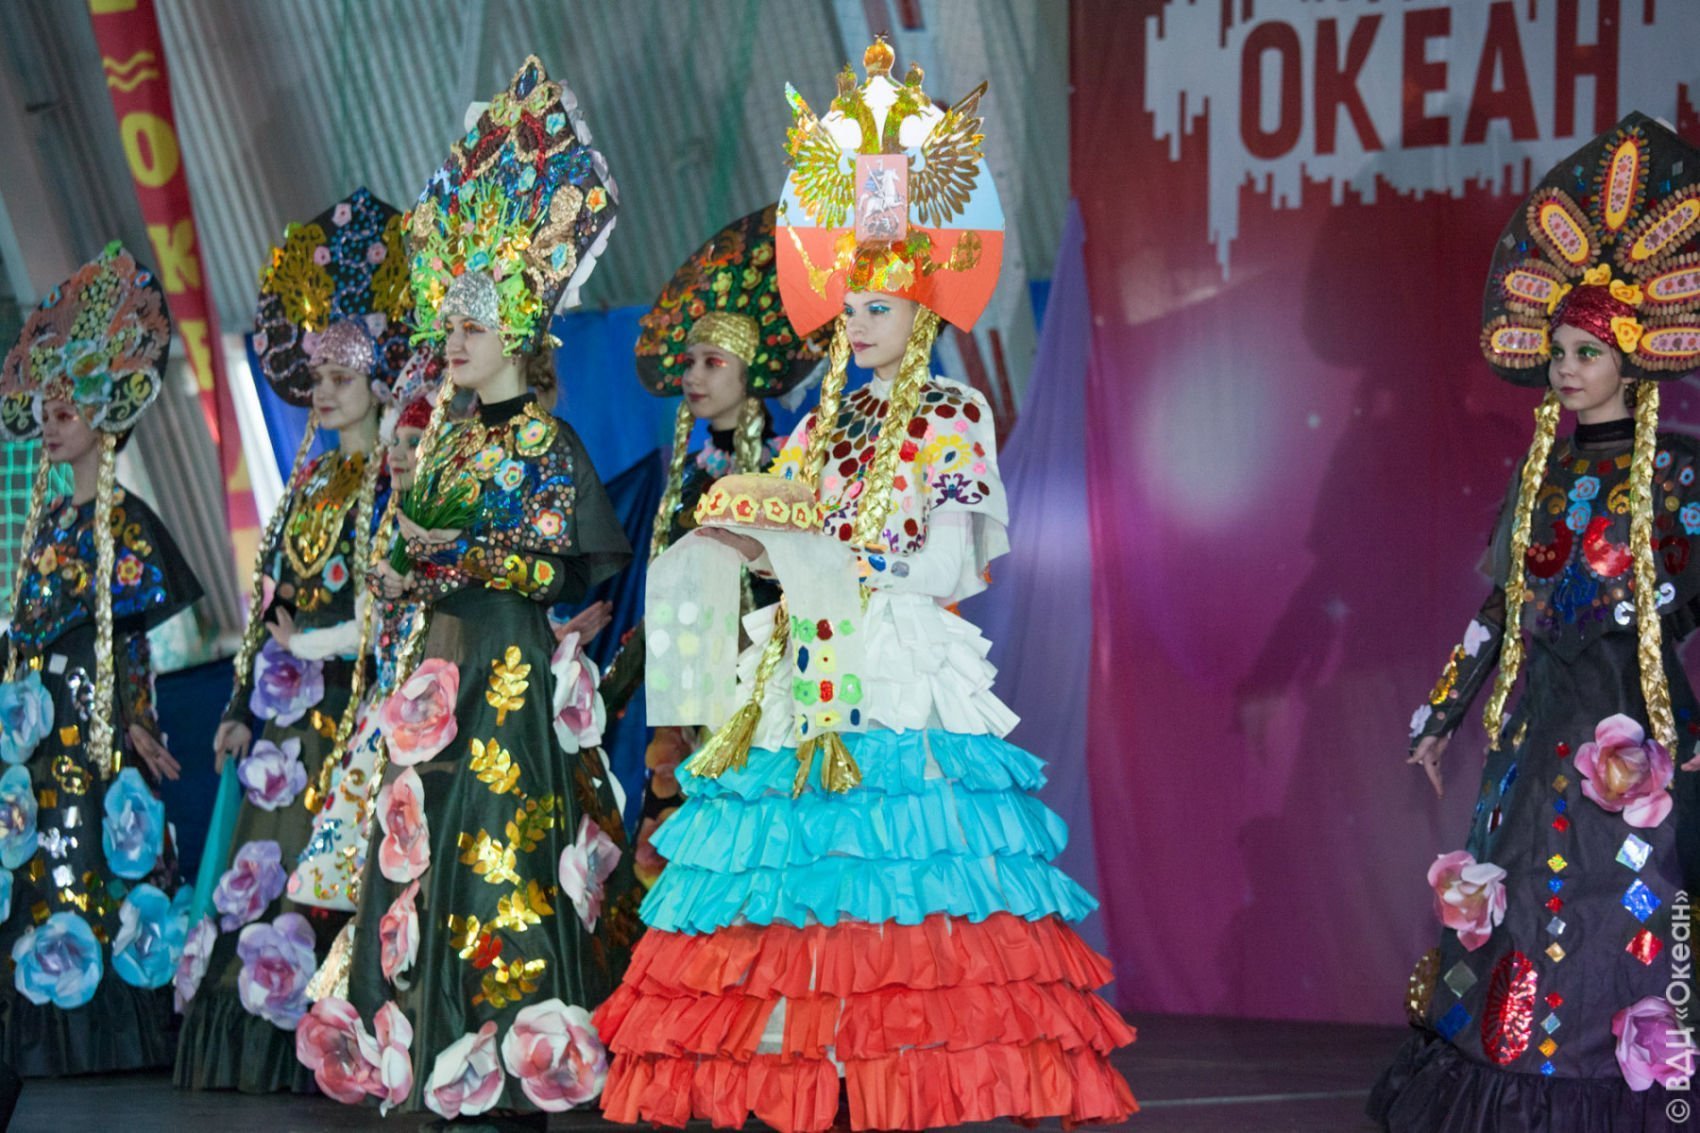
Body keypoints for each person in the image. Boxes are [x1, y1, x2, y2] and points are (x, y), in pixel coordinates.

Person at [593, 41, 1136, 1131]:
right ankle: (823, 1079)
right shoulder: (817, 426)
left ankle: (897, 1076)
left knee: (896, 865)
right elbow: (782, 529)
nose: (858, 318)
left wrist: (857, 567)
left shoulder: (952, 413)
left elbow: (954, 555)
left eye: (880, 302)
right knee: (802, 872)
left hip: (891, 666)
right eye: (851, 300)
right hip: (805, 662)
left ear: (922, 307)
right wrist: (744, 538)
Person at [297, 57, 638, 1120]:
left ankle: (514, 1043)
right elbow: (401, 566)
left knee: (498, 845)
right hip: (437, 670)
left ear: (519, 332)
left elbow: (553, 569)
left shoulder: (548, 444)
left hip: (507, 675)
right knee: (419, 846)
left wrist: (461, 553)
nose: (451, 340)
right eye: (448, 324)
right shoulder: (438, 441)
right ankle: (432, 1039)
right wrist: (408, 557)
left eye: (472, 327)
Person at [1370, 113, 1700, 1131]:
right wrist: (1438, 714)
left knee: (1629, 908)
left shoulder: (1676, 471)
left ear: (1631, 358)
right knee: (1521, 904)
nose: (1565, 368)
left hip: (1631, 737)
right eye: (1556, 351)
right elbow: (1501, 605)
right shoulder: (1541, 473)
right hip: (1536, 735)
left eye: (1585, 353)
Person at [175, 187, 412, 1092]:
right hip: (284, 727)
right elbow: (265, 603)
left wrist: (316, 654)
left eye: (342, 375)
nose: (326, 390)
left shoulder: (394, 486)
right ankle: (261, 1043)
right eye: (318, 375)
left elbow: (389, 612)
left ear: (379, 379)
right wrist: (239, 704)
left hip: (357, 719)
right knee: (263, 877)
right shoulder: (308, 486)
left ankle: (338, 1045)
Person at [0, 242, 202, 1073]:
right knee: (45, 861)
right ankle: (48, 1035)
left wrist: (137, 717)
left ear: (103, 418)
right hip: (39, 737)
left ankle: (110, 1036)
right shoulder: (47, 527)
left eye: (66, 412)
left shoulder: (129, 525)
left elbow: (134, 640)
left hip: (97, 727)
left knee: (100, 855)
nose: (51, 425)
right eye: (45, 413)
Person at [608, 204, 824, 887]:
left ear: (749, 369)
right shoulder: (687, 474)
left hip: (763, 691)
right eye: (689, 362)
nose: (693, 376)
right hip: (690, 694)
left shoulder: (788, 467)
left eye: (712, 362)